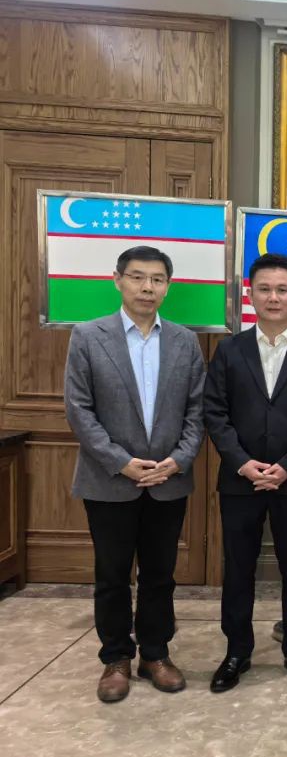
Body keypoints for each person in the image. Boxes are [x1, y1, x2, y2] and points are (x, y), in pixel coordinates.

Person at [63, 245, 205, 703]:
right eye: (138, 277)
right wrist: (120, 461)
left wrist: (179, 459)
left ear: (168, 286)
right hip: (109, 481)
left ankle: (155, 654)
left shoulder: (185, 341)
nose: (148, 287)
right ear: (118, 280)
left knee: (160, 574)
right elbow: (79, 409)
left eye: (157, 279)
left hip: (168, 480)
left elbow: (197, 411)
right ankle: (116, 658)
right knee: (112, 574)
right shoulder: (88, 336)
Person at [203, 252, 287, 690]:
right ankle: (236, 651)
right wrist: (243, 463)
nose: (273, 297)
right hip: (240, 481)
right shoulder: (230, 350)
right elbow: (215, 412)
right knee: (238, 569)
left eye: (282, 289)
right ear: (250, 294)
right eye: (264, 289)